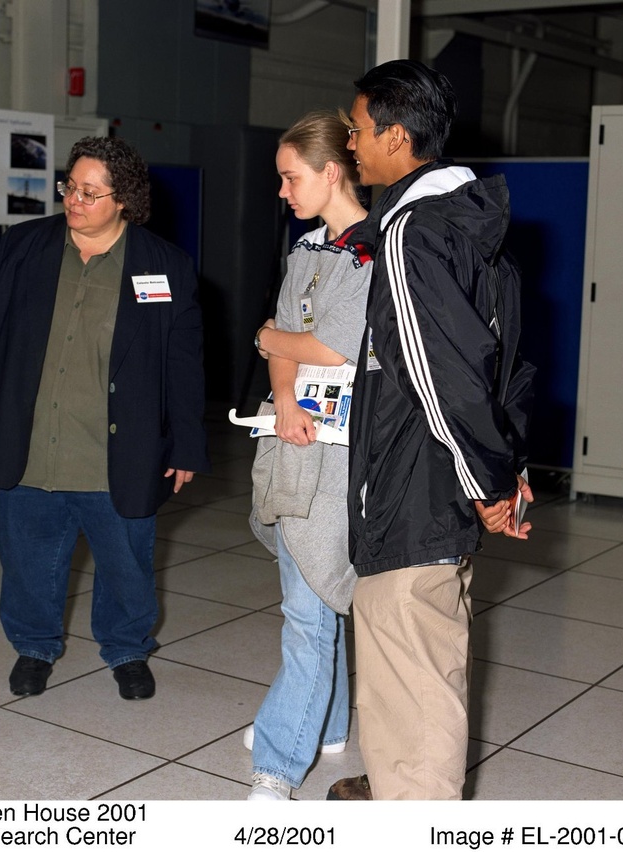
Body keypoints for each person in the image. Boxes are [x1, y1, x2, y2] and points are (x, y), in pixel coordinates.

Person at [0, 136, 209, 701]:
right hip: (31, 442)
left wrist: (186, 445)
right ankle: (34, 646)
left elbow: (183, 363)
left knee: (126, 564)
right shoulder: (25, 244)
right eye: (69, 187)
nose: (74, 201)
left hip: (119, 449)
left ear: (124, 200)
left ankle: (127, 649)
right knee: (28, 560)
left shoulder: (166, 266)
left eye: (89, 192)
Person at [329, 59, 536, 800]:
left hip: (414, 483)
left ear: (395, 136)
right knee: (426, 648)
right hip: (448, 477)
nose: (350, 144)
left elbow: (437, 370)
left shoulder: (412, 233)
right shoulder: (472, 223)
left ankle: (415, 801)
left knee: (409, 644)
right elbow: (507, 361)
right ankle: (399, 777)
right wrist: (506, 470)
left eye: (358, 130)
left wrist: (490, 483)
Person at [244, 110, 372, 800]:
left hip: (346, 456)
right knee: (311, 593)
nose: (283, 191)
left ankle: (277, 765)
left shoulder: (376, 252)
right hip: (295, 438)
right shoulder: (305, 251)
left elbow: (330, 346)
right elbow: (288, 339)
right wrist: (287, 397)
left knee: (310, 607)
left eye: (291, 178)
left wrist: (272, 339)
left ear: (331, 173)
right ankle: (325, 724)